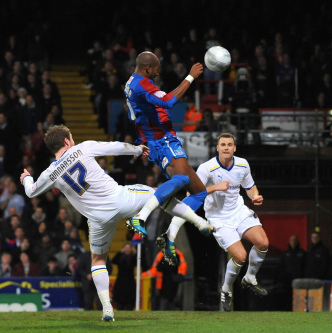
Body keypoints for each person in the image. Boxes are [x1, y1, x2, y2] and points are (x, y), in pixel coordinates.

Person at [19, 125, 209, 321]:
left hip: (98, 220)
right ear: (67, 141)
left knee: (98, 260)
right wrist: (137, 149)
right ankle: (198, 221)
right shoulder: (83, 148)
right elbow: (115, 147)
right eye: (71, 137)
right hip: (120, 200)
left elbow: (31, 191)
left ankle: (107, 308)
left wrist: (26, 178)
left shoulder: (51, 173)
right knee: (157, 194)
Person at [123, 51, 213, 266]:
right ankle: (141, 216)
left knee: (200, 192)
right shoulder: (142, 84)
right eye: (155, 70)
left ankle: (169, 236)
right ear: (147, 69)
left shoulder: (133, 82)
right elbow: (170, 101)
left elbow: (159, 99)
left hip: (158, 140)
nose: (158, 73)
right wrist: (190, 76)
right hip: (162, 140)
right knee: (182, 180)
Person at [175, 133, 269, 311]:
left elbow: (250, 188)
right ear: (217, 148)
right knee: (240, 256)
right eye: (223, 144)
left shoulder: (242, 164)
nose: (226, 147)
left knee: (263, 243)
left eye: (229, 144)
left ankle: (250, 277)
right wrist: (215, 187)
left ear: (235, 148)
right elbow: (191, 194)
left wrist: (255, 196)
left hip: (239, 212)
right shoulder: (206, 168)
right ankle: (226, 289)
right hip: (218, 218)